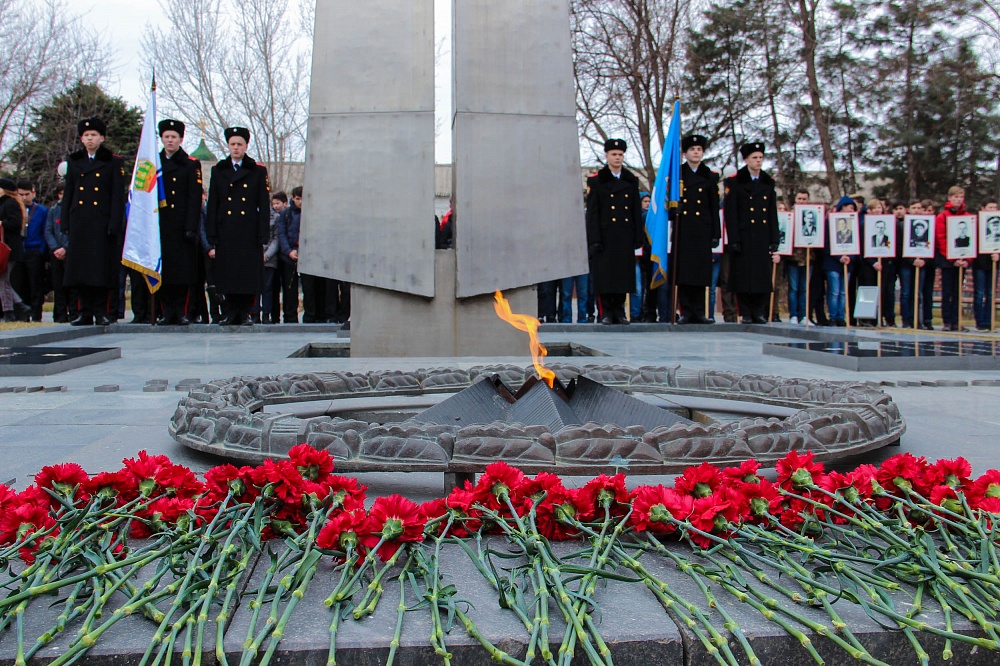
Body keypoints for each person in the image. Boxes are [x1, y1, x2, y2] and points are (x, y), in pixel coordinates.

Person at [63, 117, 127, 326]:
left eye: (93, 135)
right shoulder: (74, 161)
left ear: (102, 137)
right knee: (81, 269)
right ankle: (84, 311)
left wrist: (115, 224)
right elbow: (69, 193)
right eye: (86, 135)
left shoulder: (113, 161)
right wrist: (65, 221)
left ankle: (101, 311)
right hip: (80, 221)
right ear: (81, 139)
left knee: (100, 269)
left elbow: (118, 196)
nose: (90, 139)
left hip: (102, 223)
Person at [205, 126, 270, 326]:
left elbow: (263, 204)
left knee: (246, 274)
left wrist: (263, 233)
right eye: (232, 144)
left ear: (246, 146)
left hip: (248, 230)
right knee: (228, 273)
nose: (236, 148)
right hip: (227, 229)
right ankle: (230, 312)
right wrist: (212, 232)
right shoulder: (219, 170)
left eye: (239, 144)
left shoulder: (257, 170)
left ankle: (245, 312)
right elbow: (213, 203)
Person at [585, 138, 643, 324]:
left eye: (620, 155)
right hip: (605, 236)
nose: (617, 158)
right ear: (607, 156)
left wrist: (637, 236)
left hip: (624, 234)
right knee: (606, 276)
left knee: (622, 275)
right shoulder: (597, 181)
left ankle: (619, 311)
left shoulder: (630, 180)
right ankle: (607, 312)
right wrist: (594, 239)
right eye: (614, 155)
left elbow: (635, 210)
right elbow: (593, 213)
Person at [723, 141, 780, 324]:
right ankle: (746, 311)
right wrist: (734, 239)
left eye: (761, 158)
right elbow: (731, 213)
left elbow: (772, 212)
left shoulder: (767, 182)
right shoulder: (736, 181)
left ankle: (759, 311)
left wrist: (774, 238)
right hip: (744, 235)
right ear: (746, 159)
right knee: (744, 276)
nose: (758, 161)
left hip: (761, 236)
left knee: (762, 275)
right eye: (754, 158)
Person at [155, 119, 203, 325]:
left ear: (181, 139)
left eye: (174, 137)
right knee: (164, 272)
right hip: (161, 226)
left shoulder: (191, 164)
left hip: (182, 226)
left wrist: (192, 226)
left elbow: (194, 198)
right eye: (166, 137)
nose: (170, 141)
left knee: (182, 273)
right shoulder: (155, 164)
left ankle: (181, 311)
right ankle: (166, 311)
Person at [674, 134, 720, 324]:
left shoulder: (709, 176)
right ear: (685, 153)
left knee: (700, 273)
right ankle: (686, 311)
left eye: (699, 150)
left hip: (702, 230)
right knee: (684, 272)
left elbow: (713, 207)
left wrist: (715, 233)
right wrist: (674, 208)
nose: (696, 152)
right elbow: (669, 200)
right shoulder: (678, 174)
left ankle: (699, 311)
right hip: (684, 229)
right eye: (692, 149)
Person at [821, 196, 860, 327]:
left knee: (843, 292)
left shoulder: (854, 225)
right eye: (850, 207)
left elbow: (856, 243)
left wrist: (850, 257)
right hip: (832, 263)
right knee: (834, 291)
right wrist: (839, 257)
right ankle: (832, 316)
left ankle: (840, 316)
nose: (852, 210)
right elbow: (826, 243)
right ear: (842, 207)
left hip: (847, 263)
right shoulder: (829, 222)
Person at [934, 186, 968, 331]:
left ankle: (957, 320)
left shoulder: (967, 217)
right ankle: (947, 321)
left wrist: (967, 259)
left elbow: (972, 239)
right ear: (949, 198)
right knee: (947, 292)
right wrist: (952, 257)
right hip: (948, 261)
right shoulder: (943, 217)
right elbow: (941, 239)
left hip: (962, 261)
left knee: (957, 292)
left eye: (960, 197)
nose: (958, 200)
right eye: (955, 197)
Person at [13, 180, 48, 321]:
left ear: (33, 193)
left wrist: (41, 250)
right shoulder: (15, 210)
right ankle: (22, 313)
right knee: (20, 283)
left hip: (34, 250)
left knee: (36, 284)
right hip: (19, 251)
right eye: (20, 194)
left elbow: (45, 231)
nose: (24, 198)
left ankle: (36, 313)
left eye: (26, 194)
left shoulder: (41, 211)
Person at [0, 178, 32, 321]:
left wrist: (1, 223)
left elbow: (14, 223)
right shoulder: (7, 203)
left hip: (9, 248)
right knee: (3, 280)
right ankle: (18, 306)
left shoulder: (10, 203)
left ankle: (10, 310)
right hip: (9, 247)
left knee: (4, 281)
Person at [44, 185, 73, 323]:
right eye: (60, 193)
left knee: (72, 285)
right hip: (55, 253)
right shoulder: (53, 211)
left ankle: (74, 312)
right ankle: (60, 314)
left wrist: (66, 248)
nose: (63, 196)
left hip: (71, 253)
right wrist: (55, 248)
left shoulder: (75, 210)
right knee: (58, 286)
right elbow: (48, 231)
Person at [276, 186, 304, 323]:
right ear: (293, 198)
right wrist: (288, 251)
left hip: (305, 256)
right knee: (289, 289)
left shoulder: (311, 213)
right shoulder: (285, 214)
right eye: (298, 199)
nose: (300, 202)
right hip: (288, 257)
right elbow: (281, 234)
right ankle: (289, 317)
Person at [973, 199, 1000, 331]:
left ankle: (989, 321)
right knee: (979, 293)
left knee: (991, 294)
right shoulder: (977, 225)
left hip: (994, 264)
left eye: (995, 207)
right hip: (979, 264)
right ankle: (980, 321)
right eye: (990, 207)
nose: (993, 210)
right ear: (983, 208)